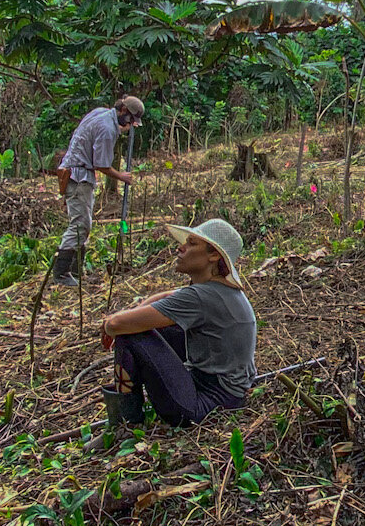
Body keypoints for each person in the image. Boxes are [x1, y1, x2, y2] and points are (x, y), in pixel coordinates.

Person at [99, 219, 257, 430]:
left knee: (131, 334)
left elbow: (118, 325)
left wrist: (111, 324)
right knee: (153, 324)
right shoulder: (216, 290)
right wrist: (127, 316)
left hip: (205, 407)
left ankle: (125, 426)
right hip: (225, 394)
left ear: (213, 255)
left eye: (192, 244)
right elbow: (167, 295)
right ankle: (126, 420)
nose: (180, 248)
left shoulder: (201, 297)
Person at [51, 95, 143, 287]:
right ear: (124, 112)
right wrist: (122, 177)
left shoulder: (100, 113)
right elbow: (101, 164)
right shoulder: (107, 130)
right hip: (79, 177)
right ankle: (61, 273)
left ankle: (76, 270)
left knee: (84, 223)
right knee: (80, 225)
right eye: (130, 120)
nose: (130, 125)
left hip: (78, 172)